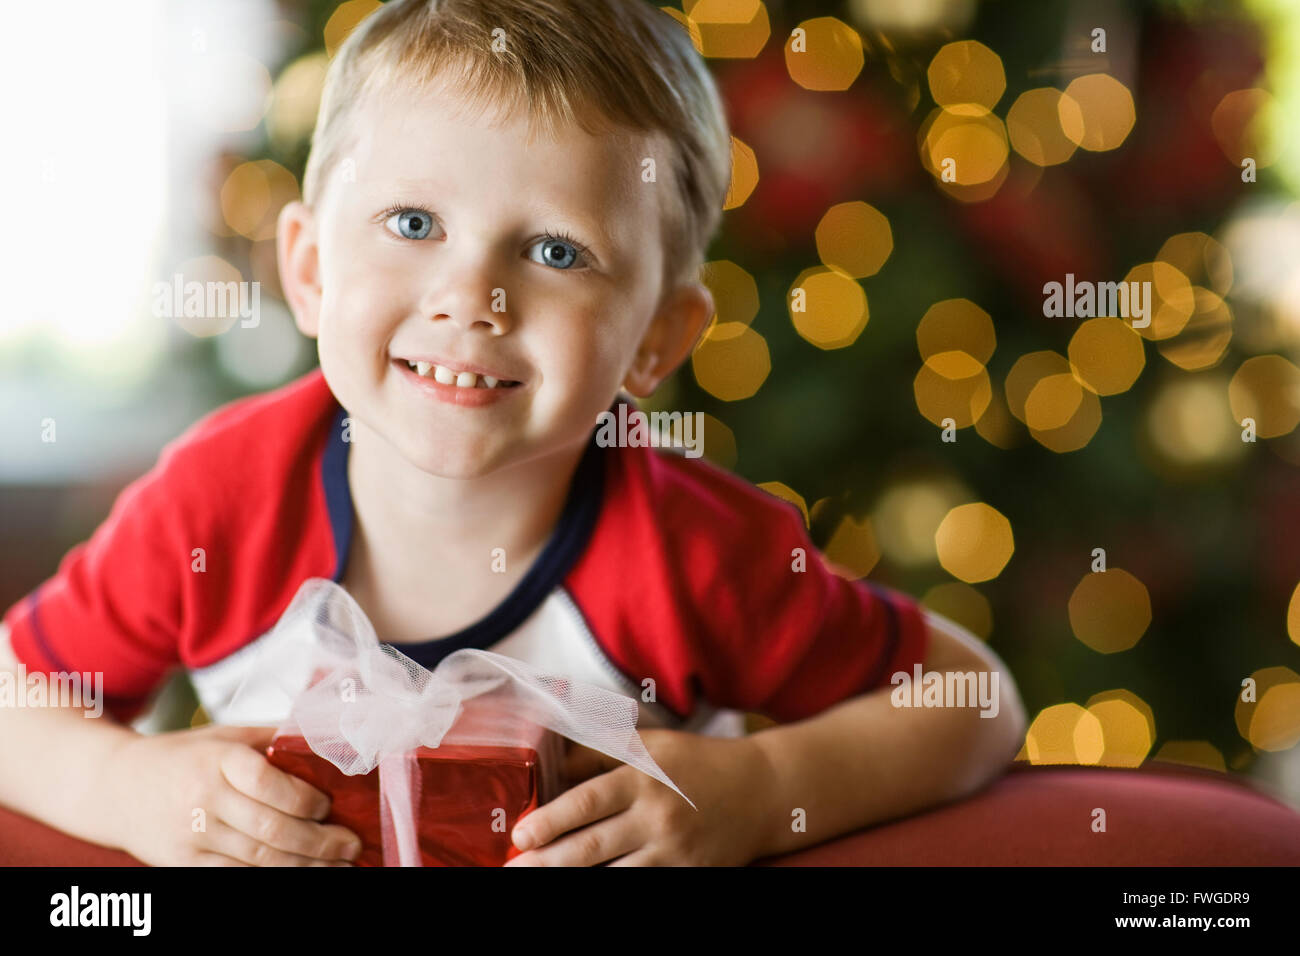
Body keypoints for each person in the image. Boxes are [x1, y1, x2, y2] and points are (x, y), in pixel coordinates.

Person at [0, 0, 1025, 866]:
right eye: (413, 224)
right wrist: (125, 783)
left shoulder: (693, 551)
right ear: (310, 269)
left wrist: (759, 786)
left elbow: (972, 698)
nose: (470, 298)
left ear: (654, 339)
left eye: (554, 249)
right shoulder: (220, 503)